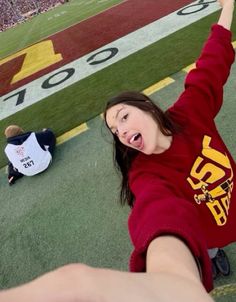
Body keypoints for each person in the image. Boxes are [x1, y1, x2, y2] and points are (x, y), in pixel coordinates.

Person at [0, 1, 234, 301]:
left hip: (232, 203)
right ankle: (213, 255)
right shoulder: (144, 173)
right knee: (209, 246)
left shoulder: (191, 112)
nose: (121, 131)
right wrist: (167, 278)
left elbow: (212, 63)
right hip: (203, 232)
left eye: (123, 117)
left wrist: (227, 6)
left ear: (146, 106)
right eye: (115, 130)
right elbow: (157, 213)